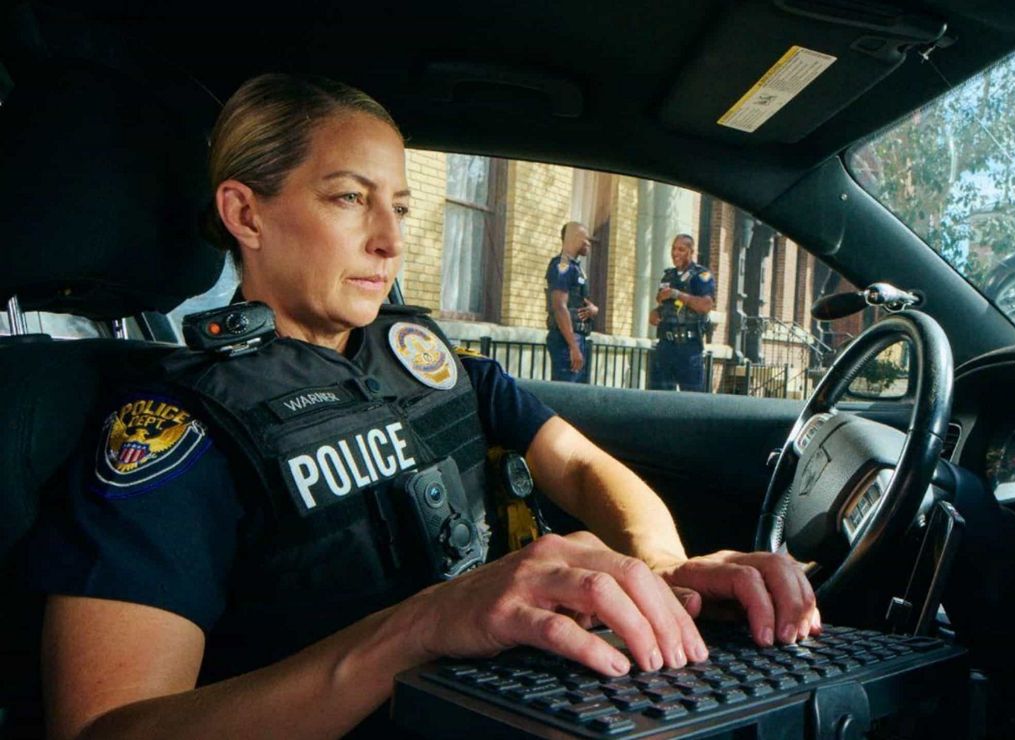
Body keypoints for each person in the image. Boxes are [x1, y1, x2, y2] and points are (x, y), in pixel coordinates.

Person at [27, 74, 818, 739]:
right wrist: (419, 626)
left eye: (399, 208)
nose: (389, 240)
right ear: (245, 213)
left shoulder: (427, 361)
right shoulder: (178, 425)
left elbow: (576, 464)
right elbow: (107, 731)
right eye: (348, 198)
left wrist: (662, 565)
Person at [648, 234, 715, 391]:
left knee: (692, 403)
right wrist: (655, 313)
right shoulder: (668, 276)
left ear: (691, 252)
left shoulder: (701, 276)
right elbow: (667, 306)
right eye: (673, 248)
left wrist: (676, 294)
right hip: (665, 346)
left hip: (689, 348)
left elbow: (705, 305)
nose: (675, 253)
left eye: (681, 249)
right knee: (659, 401)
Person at [545, 221, 597, 383]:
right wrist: (573, 347)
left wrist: (593, 310)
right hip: (566, 341)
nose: (588, 243)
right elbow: (559, 307)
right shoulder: (563, 265)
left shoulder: (575, 267)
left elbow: (580, 300)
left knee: (578, 399)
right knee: (567, 397)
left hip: (578, 338)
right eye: (585, 239)